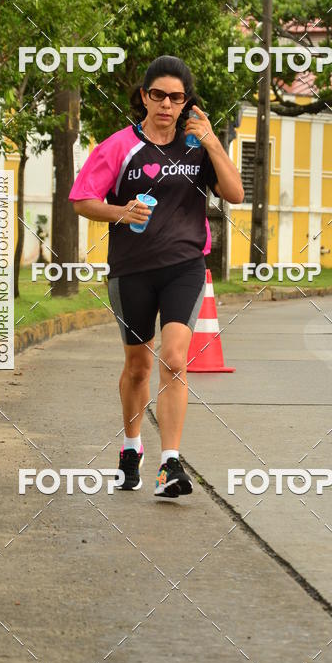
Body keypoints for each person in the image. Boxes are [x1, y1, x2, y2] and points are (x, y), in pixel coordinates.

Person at [69, 55, 244, 498]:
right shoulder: (118, 146)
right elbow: (82, 200)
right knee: (137, 365)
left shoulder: (196, 146)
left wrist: (213, 143)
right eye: (158, 95)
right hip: (132, 270)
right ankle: (132, 448)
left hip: (186, 265)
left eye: (177, 97)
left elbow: (236, 194)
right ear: (144, 96)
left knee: (174, 359)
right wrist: (120, 212)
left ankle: (170, 464)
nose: (167, 104)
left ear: (187, 102)